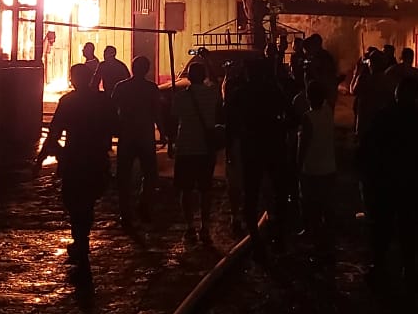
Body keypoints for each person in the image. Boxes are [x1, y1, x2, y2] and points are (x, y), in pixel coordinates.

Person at [359, 78, 418, 287]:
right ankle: (408, 268)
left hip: (386, 182)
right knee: (409, 227)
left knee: (382, 227)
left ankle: (380, 267)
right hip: (412, 183)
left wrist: (367, 175)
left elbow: (368, 147)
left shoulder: (385, 116)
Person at [38, 64, 117, 267]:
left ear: (73, 79)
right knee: (88, 200)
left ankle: (80, 239)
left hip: (74, 158)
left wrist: (41, 159)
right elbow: (116, 127)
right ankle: (82, 238)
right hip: (96, 158)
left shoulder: (68, 101)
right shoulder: (102, 100)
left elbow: (54, 132)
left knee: (74, 201)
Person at [227, 58, 291, 250]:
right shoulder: (274, 90)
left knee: (251, 193)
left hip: (251, 147)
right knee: (279, 192)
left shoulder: (241, 93)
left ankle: (255, 238)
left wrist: (231, 148)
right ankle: (279, 236)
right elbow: (292, 115)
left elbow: (230, 122)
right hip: (274, 145)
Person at [170, 62, 221, 244]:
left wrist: (170, 143)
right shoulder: (212, 93)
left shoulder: (180, 97)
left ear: (189, 77)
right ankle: (205, 226)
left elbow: (174, 118)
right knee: (205, 189)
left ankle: (190, 226)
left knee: (186, 189)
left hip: (185, 147)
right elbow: (217, 83)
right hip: (206, 148)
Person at [112, 56, 164, 227]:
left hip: (127, 135)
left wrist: (112, 131)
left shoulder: (121, 87)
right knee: (150, 174)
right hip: (145, 135)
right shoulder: (151, 88)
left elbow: (112, 110)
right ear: (147, 69)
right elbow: (157, 113)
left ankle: (125, 212)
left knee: (123, 176)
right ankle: (143, 203)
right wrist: (163, 133)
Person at [297, 80, 337, 252]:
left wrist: (297, 166)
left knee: (310, 205)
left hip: (311, 169)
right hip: (329, 168)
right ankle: (328, 242)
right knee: (327, 206)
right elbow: (329, 93)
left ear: (308, 97)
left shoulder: (308, 118)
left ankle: (316, 241)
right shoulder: (328, 112)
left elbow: (303, 146)